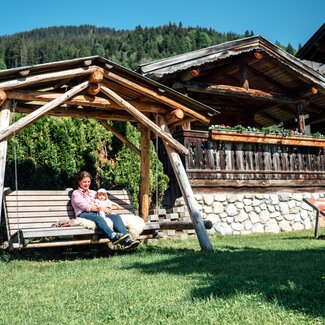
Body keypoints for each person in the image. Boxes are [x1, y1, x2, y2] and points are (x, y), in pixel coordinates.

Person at [71, 170, 140, 250]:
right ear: (79, 181)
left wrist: (108, 207)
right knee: (99, 218)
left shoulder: (93, 193)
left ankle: (128, 240)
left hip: (98, 212)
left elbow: (103, 200)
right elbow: (85, 207)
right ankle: (112, 236)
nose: (87, 184)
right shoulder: (76, 193)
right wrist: (102, 208)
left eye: (89, 181)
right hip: (84, 213)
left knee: (116, 217)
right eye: (84, 182)